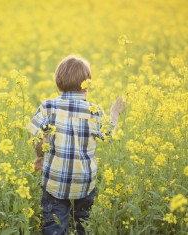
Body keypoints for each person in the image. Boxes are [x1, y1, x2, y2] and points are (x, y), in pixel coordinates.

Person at [26, 55, 126, 235]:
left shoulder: (48, 107)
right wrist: (114, 113)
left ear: (58, 83)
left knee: (54, 226)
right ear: (87, 85)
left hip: (55, 182)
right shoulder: (93, 110)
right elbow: (107, 134)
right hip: (85, 181)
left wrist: (40, 155)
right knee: (83, 225)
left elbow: (36, 135)